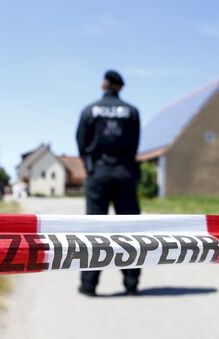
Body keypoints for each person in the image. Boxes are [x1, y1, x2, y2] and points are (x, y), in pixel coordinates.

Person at [76, 70, 141, 296]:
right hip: (124, 173)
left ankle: (88, 284)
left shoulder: (88, 111)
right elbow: (134, 145)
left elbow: (81, 144)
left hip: (98, 174)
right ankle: (131, 283)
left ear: (104, 85)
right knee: (130, 230)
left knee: (95, 231)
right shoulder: (132, 112)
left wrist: (92, 168)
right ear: (120, 87)